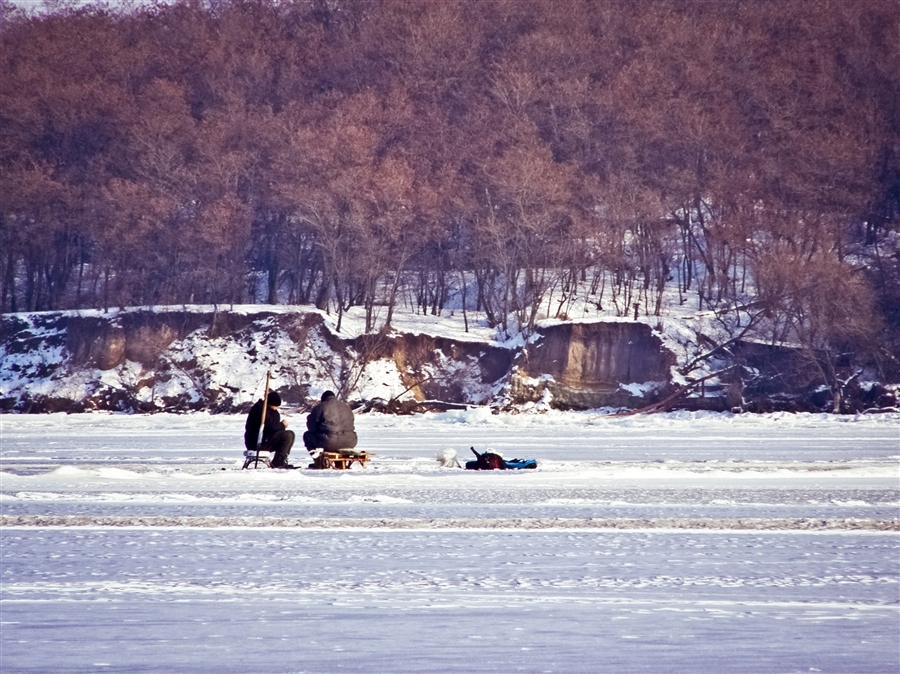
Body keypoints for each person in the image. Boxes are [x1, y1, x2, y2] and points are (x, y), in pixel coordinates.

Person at [244, 391, 296, 469]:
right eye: (275, 406)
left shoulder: (271, 411)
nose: (276, 408)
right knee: (287, 435)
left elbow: (273, 425)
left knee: (291, 434)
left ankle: (280, 459)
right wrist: (282, 425)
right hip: (256, 441)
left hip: (265, 438)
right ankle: (278, 462)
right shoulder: (260, 409)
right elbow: (271, 426)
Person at [303, 390, 358, 457]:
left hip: (328, 442)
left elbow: (311, 428)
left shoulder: (320, 407)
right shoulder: (346, 407)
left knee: (307, 435)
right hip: (350, 441)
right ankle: (339, 463)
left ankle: (318, 460)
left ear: (323, 399)